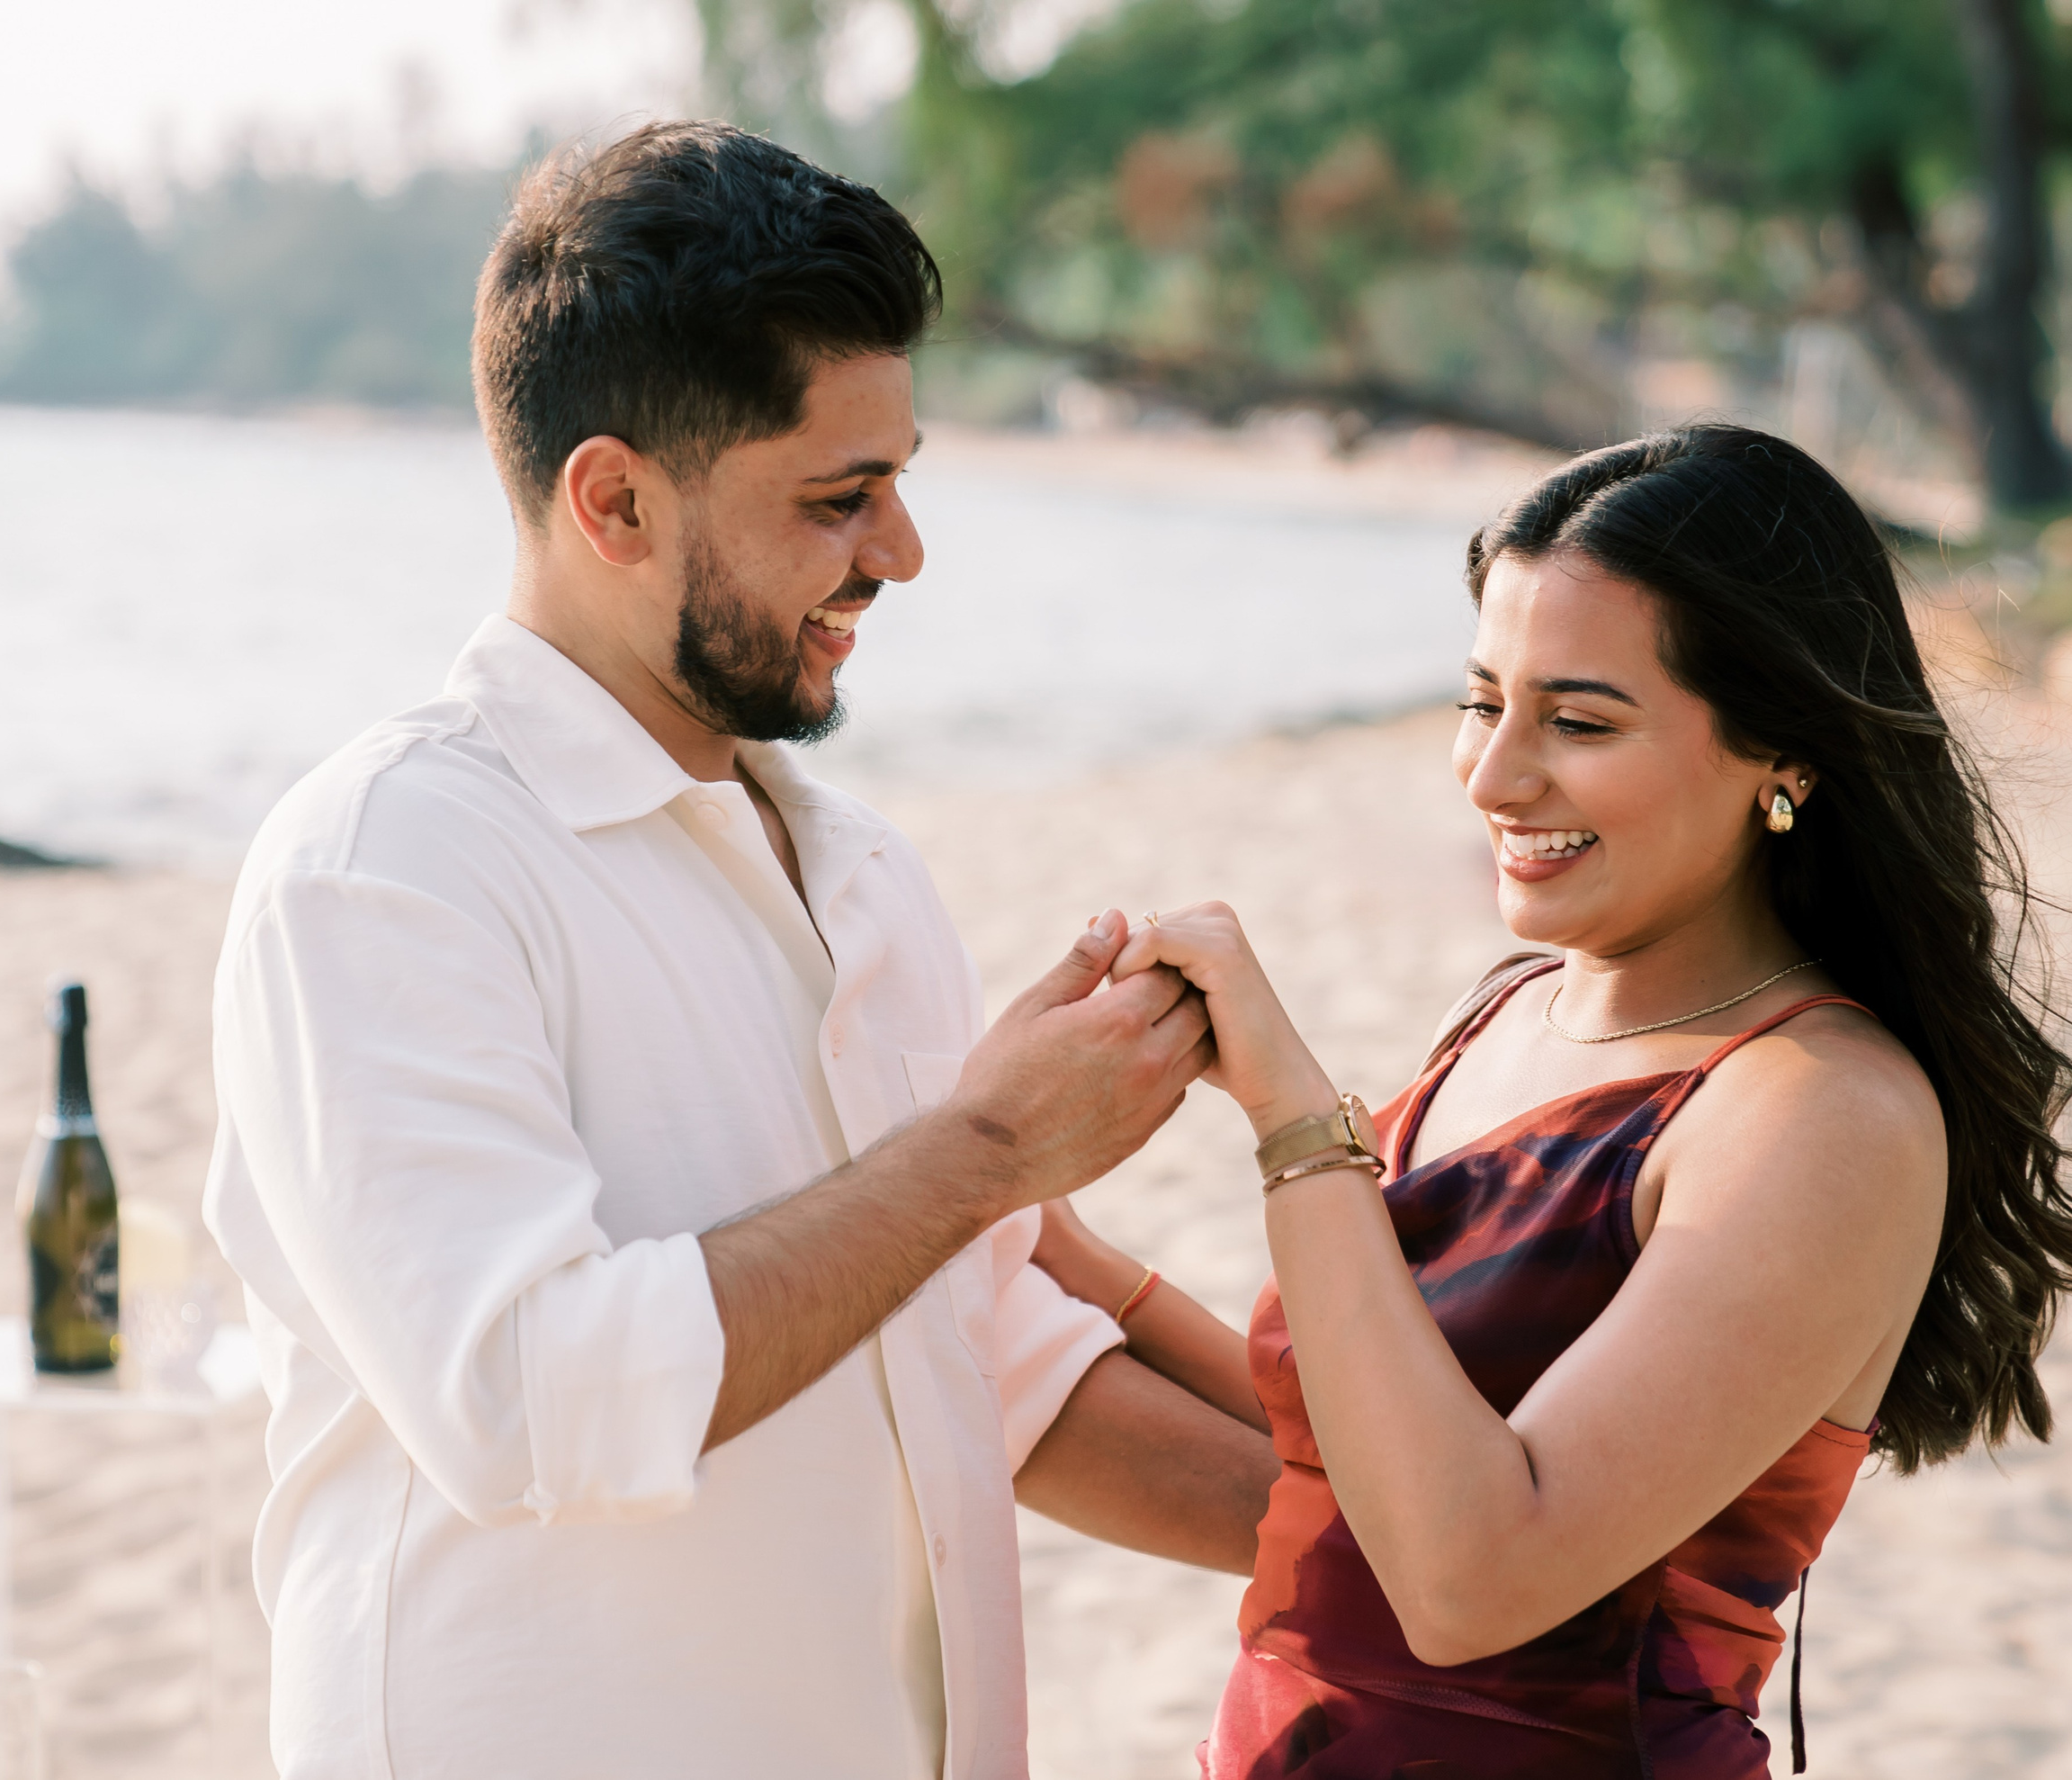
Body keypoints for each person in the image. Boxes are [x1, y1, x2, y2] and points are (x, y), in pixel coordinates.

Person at [202, 121, 1277, 1780]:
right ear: (614, 500)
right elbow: (526, 1396)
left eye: (901, 480)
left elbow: (992, 1365)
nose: (901, 552)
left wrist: (1459, 1569)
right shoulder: (384, 868)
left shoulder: (866, 877)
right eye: (841, 499)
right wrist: (984, 1150)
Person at [1034, 425, 2072, 1777]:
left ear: (1783, 754)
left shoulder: (1823, 1112)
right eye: (1481, 699)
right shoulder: (1504, 1010)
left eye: (1578, 720)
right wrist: (1048, 1244)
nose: (1496, 775)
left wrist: (1294, 1120)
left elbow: (1471, 1577)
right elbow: (1349, 1443)